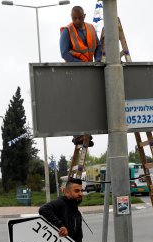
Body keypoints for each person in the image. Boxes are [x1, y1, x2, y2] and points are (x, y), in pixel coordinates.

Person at [60, 5, 101, 147]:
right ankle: (77, 134)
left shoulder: (90, 28)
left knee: (87, 102)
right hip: (75, 71)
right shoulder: (67, 31)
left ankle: (86, 134)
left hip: (89, 70)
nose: (77, 21)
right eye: (74, 18)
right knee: (77, 102)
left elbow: (98, 46)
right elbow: (64, 53)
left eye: (79, 17)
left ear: (84, 16)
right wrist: (81, 64)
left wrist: (98, 61)